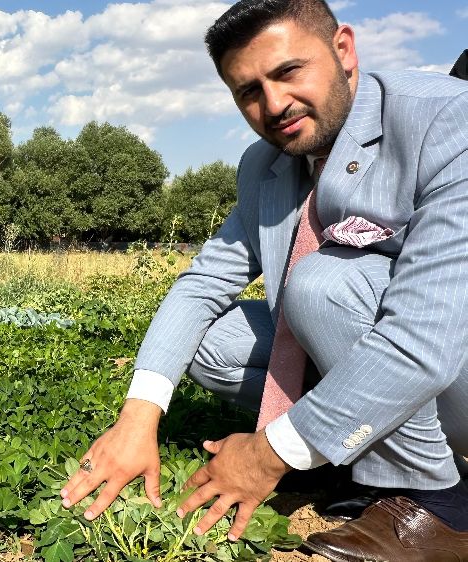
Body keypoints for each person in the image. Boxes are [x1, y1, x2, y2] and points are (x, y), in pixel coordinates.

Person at [60, 1, 468, 560]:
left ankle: (441, 504)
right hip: (403, 366)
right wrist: (139, 414)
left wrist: (267, 455)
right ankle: (345, 453)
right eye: (248, 91)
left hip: (454, 363)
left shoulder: (448, 121)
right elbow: (203, 283)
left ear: (343, 50)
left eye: (288, 72)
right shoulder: (266, 163)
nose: (273, 105)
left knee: (322, 284)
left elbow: (424, 339)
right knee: (212, 341)